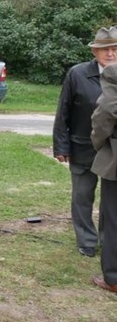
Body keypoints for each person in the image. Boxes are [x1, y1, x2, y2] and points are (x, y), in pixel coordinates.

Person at [53, 26, 117, 257]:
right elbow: (63, 112)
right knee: (82, 195)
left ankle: (108, 240)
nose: (110, 53)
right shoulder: (77, 74)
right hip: (82, 146)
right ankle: (87, 240)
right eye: (104, 49)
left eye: (115, 49)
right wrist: (61, 145)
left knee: (111, 201)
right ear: (94, 52)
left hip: (113, 151)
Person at [90, 59, 117, 293]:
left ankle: (113, 277)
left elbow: (105, 113)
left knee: (113, 219)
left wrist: (100, 144)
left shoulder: (113, 72)